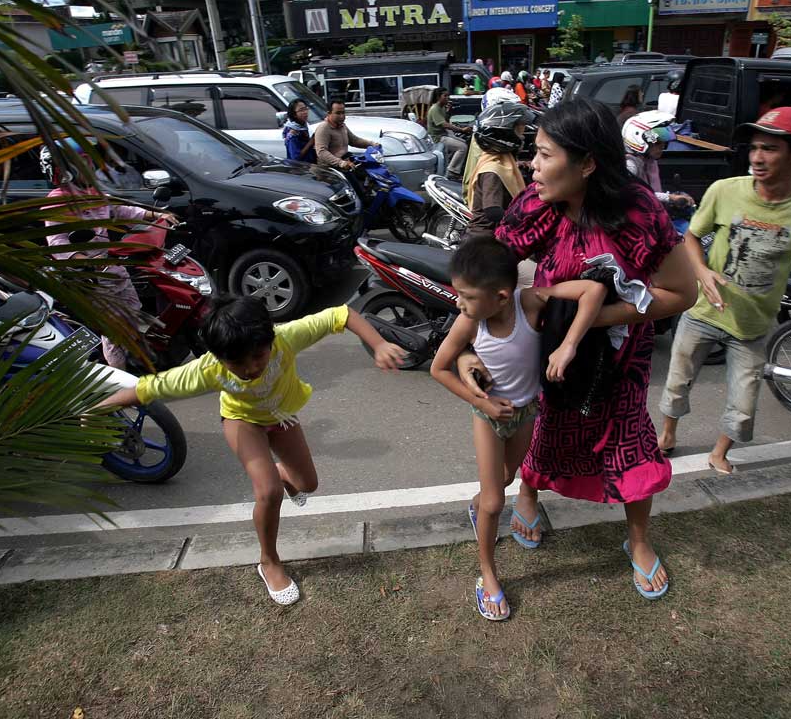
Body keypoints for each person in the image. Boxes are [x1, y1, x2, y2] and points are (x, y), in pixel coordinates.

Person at [456, 98, 698, 600]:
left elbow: (682, 294)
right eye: (535, 153)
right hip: (549, 354)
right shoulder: (538, 204)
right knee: (544, 430)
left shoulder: (638, 213)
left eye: (545, 155)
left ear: (587, 163)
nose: (532, 166)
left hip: (618, 364)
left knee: (630, 445)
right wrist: (463, 350)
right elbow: (483, 278)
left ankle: (638, 540)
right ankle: (527, 496)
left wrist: (596, 321)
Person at [100, 295, 406, 605]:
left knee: (307, 484)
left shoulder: (286, 338)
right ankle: (269, 562)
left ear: (270, 339)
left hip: (281, 417)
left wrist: (379, 344)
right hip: (242, 421)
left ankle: (280, 474)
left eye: (258, 356)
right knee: (268, 492)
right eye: (237, 363)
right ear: (218, 356)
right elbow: (147, 388)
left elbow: (341, 313)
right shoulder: (207, 370)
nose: (250, 368)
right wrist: (96, 408)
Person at [431, 236, 608, 620]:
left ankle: (478, 506)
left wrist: (569, 345)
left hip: (527, 413)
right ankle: (488, 575)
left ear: (500, 296)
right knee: (496, 501)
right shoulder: (469, 322)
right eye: (458, 294)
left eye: (467, 296)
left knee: (507, 478)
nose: (459, 303)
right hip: (487, 418)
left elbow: (593, 291)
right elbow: (438, 368)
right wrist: (482, 403)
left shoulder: (529, 301)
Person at [658, 107, 791, 473]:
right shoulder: (724, 191)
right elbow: (691, 237)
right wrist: (703, 272)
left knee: (744, 402)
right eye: (754, 147)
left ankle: (719, 452)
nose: (757, 157)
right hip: (703, 312)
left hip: (753, 326)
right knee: (677, 382)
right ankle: (668, 435)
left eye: (769, 149)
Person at [40, 139, 179, 369]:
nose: (89, 169)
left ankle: (139, 360)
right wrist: (85, 261)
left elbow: (122, 210)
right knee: (113, 330)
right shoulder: (57, 203)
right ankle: (119, 376)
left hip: (113, 267)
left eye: (88, 163)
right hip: (89, 277)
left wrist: (156, 215)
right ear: (66, 170)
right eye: (82, 164)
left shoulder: (94, 194)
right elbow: (57, 243)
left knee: (134, 312)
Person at [466, 100, 533, 237]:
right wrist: (524, 221)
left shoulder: (502, 162)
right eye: (519, 130)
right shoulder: (493, 171)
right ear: (504, 134)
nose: (523, 136)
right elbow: (493, 211)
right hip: (486, 238)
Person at [622, 110, 693, 215]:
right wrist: (669, 197)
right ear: (638, 140)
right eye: (658, 143)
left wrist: (673, 198)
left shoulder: (649, 161)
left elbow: (651, 192)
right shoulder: (630, 165)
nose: (663, 146)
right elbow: (636, 195)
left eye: (663, 142)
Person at [314, 99, 376, 171]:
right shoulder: (323, 128)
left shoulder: (342, 126)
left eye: (343, 113)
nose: (342, 116)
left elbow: (354, 140)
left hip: (346, 164)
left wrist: (372, 144)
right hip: (330, 170)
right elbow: (321, 152)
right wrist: (340, 163)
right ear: (329, 113)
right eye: (338, 113)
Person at [426, 87, 470, 181]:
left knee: (464, 141)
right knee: (462, 147)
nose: (447, 98)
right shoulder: (435, 109)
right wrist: (461, 130)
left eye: (448, 96)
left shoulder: (442, 107)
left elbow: (446, 120)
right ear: (438, 97)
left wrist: (448, 111)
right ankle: (452, 172)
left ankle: (453, 165)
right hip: (438, 137)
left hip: (444, 134)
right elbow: (444, 124)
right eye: (445, 96)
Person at [282, 99, 317, 164]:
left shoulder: (302, 125)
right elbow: (295, 158)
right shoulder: (293, 133)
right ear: (294, 114)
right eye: (301, 110)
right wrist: (310, 142)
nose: (305, 112)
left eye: (305, 109)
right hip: (299, 167)